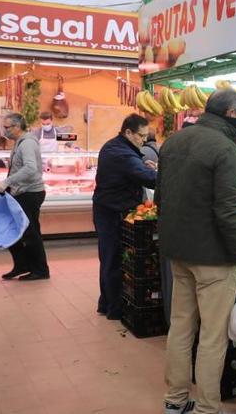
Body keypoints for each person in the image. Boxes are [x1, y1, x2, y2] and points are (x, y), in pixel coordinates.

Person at [156, 88, 236, 414]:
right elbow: (229, 214)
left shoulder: (173, 142)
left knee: (181, 327)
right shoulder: (227, 150)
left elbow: (161, 198)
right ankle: (206, 408)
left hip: (178, 252)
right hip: (214, 259)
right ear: (231, 114)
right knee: (213, 338)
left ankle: (174, 401)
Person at [92, 114, 158, 320]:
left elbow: (133, 171)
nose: (144, 140)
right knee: (112, 258)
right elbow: (148, 180)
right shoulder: (121, 153)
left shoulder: (118, 147)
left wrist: (142, 166)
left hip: (108, 208)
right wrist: (164, 174)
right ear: (128, 132)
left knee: (108, 258)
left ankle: (106, 303)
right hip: (112, 212)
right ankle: (114, 309)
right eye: (141, 136)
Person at [0, 113, 50, 281]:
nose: (5, 131)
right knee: (12, 230)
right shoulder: (19, 143)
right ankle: (21, 265)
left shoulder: (28, 143)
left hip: (30, 193)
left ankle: (40, 270)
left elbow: (31, 168)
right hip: (19, 192)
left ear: (17, 127)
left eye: (7, 127)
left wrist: (6, 181)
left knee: (31, 234)